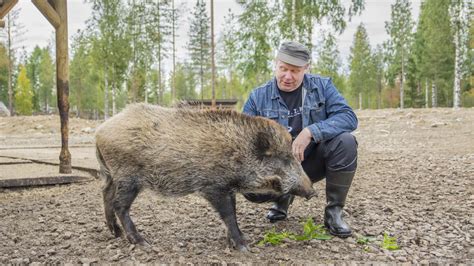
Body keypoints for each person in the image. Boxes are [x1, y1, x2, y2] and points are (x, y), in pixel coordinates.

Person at [242, 41, 358, 238]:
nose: (287, 76)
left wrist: (311, 131)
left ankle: (334, 213)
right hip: (274, 172)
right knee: (249, 185)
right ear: (275, 64)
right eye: (283, 69)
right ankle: (281, 198)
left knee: (346, 142)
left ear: (307, 68)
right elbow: (243, 138)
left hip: (309, 164)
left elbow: (349, 117)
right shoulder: (257, 97)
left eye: (295, 71)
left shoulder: (322, 87)